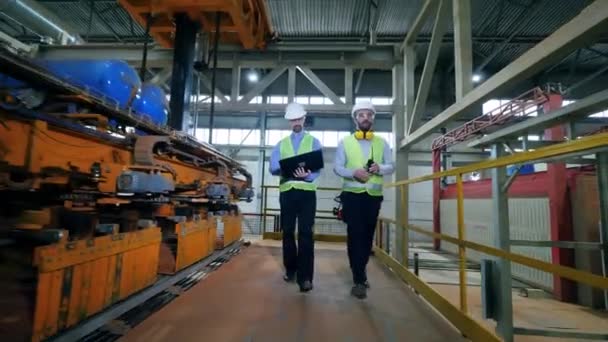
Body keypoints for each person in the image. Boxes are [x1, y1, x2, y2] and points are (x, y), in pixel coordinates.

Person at [334, 101, 394, 299]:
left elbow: (391, 165)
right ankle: (358, 278)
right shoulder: (345, 142)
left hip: (373, 198)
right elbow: (337, 167)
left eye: (369, 114)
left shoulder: (382, 142)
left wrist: (381, 168)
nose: (365, 118)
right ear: (355, 119)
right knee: (355, 235)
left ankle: (361, 271)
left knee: (367, 237)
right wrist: (353, 173)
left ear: (373, 118)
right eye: (361, 115)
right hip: (352, 196)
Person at [269, 102, 322, 292]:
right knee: (288, 232)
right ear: (289, 122)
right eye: (293, 120)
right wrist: (287, 169)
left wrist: (307, 176)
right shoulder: (281, 145)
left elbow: (318, 168)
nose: (296, 122)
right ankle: (291, 270)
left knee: (307, 233)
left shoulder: (314, 142)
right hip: (288, 192)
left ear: (304, 119)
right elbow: (273, 168)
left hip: (307, 193)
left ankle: (305, 277)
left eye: (299, 119)